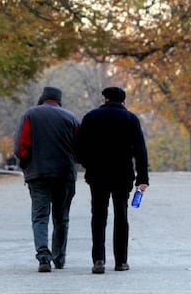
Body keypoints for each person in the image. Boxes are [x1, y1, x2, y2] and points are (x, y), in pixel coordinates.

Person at [74, 86, 149, 274]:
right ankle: (121, 261)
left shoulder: (91, 117)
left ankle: (98, 259)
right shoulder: (131, 119)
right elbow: (140, 150)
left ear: (104, 99)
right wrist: (142, 178)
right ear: (123, 101)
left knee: (98, 216)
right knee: (121, 216)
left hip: (97, 174)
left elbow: (78, 147)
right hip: (122, 174)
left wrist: (87, 164)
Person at [14, 86, 80, 273]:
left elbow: (21, 146)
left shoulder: (30, 115)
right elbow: (80, 148)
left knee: (40, 216)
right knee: (61, 217)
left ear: (42, 98)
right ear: (59, 100)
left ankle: (44, 256)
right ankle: (59, 258)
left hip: (38, 174)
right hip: (64, 175)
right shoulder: (71, 118)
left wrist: (27, 165)